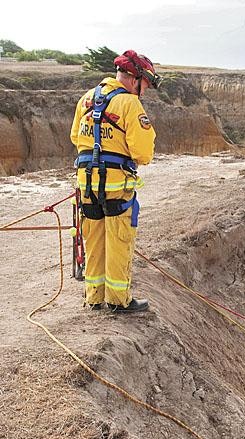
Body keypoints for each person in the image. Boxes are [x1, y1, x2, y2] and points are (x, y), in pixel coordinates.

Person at [70, 49, 159, 312]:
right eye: (145, 84)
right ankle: (119, 301)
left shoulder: (86, 99)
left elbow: (77, 138)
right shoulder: (130, 104)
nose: (145, 90)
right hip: (116, 188)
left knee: (94, 242)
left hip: (86, 185)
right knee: (119, 242)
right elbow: (143, 153)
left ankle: (94, 297)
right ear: (134, 79)